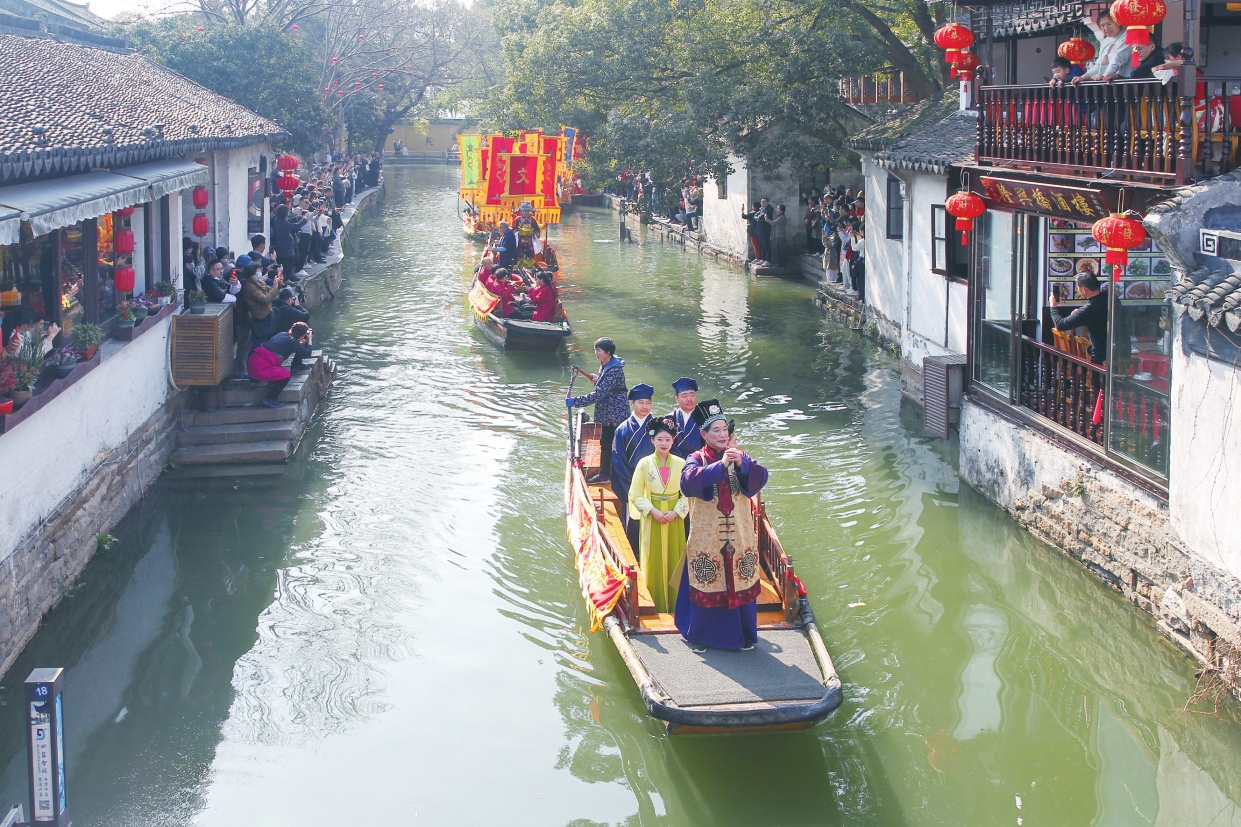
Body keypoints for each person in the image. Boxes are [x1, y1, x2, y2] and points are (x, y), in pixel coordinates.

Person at [675, 399, 769, 651]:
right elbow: (688, 483)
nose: (722, 434)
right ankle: (700, 636)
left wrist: (742, 464)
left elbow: (761, 477)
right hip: (708, 538)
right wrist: (721, 465)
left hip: (739, 535)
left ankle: (743, 635)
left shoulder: (740, 457)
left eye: (724, 429)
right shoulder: (695, 458)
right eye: (715, 430)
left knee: (740, 577)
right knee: (707, 578)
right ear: (703, 434)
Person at [629, 416, 689, 613]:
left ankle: (676, 605)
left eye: (668, 439)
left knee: (675, 557)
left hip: (674, 518)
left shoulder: (681, 463)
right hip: (652, 516)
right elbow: (635, 494)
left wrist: (676, 512)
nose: (664, 443)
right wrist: (653, 511)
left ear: (673, 441)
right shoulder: (644, 464)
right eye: (660, 439)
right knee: (652, 559)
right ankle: (653, 604)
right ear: (652, 440)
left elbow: (688, 494)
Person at [566, 337, 628, 484]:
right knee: (606, 442)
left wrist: (576, 401)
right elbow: (605, 383)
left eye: (598, 350)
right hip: (608, 412)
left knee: (611, 443)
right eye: (596, 350)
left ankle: (607, 474)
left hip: (615, 413)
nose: (596, 353)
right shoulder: (606, 364)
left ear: (608, 352)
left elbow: (599, 394)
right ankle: (606, 473)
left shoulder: (614, 370)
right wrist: (597, 378)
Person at [611, 384, 656, 554]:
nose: (645, 407)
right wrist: (632, 490)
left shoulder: (658, 427)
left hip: (655, 482)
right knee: (633, 524)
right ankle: (634, 555)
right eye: (640, 403)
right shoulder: (622, 430)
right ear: (632, 403)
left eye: (648, 403)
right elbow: (618, 462)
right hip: (630, 482)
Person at [247, 321, 309, 408]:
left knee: (279, 370)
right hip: (259, 369)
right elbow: (307, 353)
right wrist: (310, 340)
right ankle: (270, 398)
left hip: (253, 364)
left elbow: (293, 346)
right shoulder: (292, 342)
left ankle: (269, 383)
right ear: (302, 335)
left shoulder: (282, 334)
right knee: (286, 374)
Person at [1050, 272, 1108, 364]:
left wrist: (1053, 306)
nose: (1077, 289)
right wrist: (1081, 311)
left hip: (1101, 357)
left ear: (1084, 290)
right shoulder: (1110, 298)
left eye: (1078, 287)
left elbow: (1060, 325)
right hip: (1120, 351)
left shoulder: (1089, 310)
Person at [1075, 11, 1130, 84]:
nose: (1106, 28)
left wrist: (1106, 75)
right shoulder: (1105, 41)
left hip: (1124, 82)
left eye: (1109, 24)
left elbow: (1118, 57)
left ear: (1118, 22)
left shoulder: (1127, 35)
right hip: (1106, 82)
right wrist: (1083, 77)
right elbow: (1099, 65)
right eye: (1102, 25)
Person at [668, 377, 703, 458]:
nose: (689, 399)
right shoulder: (670, 418)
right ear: (677, 399)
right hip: (676, 461)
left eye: (692, 395)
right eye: (684, 396)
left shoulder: (704, 417)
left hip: (700, 460)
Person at [513, 201, 542, 267]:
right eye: (523, 211)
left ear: (529, 211)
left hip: (529, 240)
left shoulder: (532, 220)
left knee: (529, 252)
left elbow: (537, 229)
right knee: (520, 252)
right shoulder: (518, 220)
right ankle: (519, 264)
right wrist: (518, 232)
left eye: (526, 211)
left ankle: (530, 265)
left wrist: (534, 233)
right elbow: (514, 229)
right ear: (521, 211)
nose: (525, 213)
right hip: (520, 240)